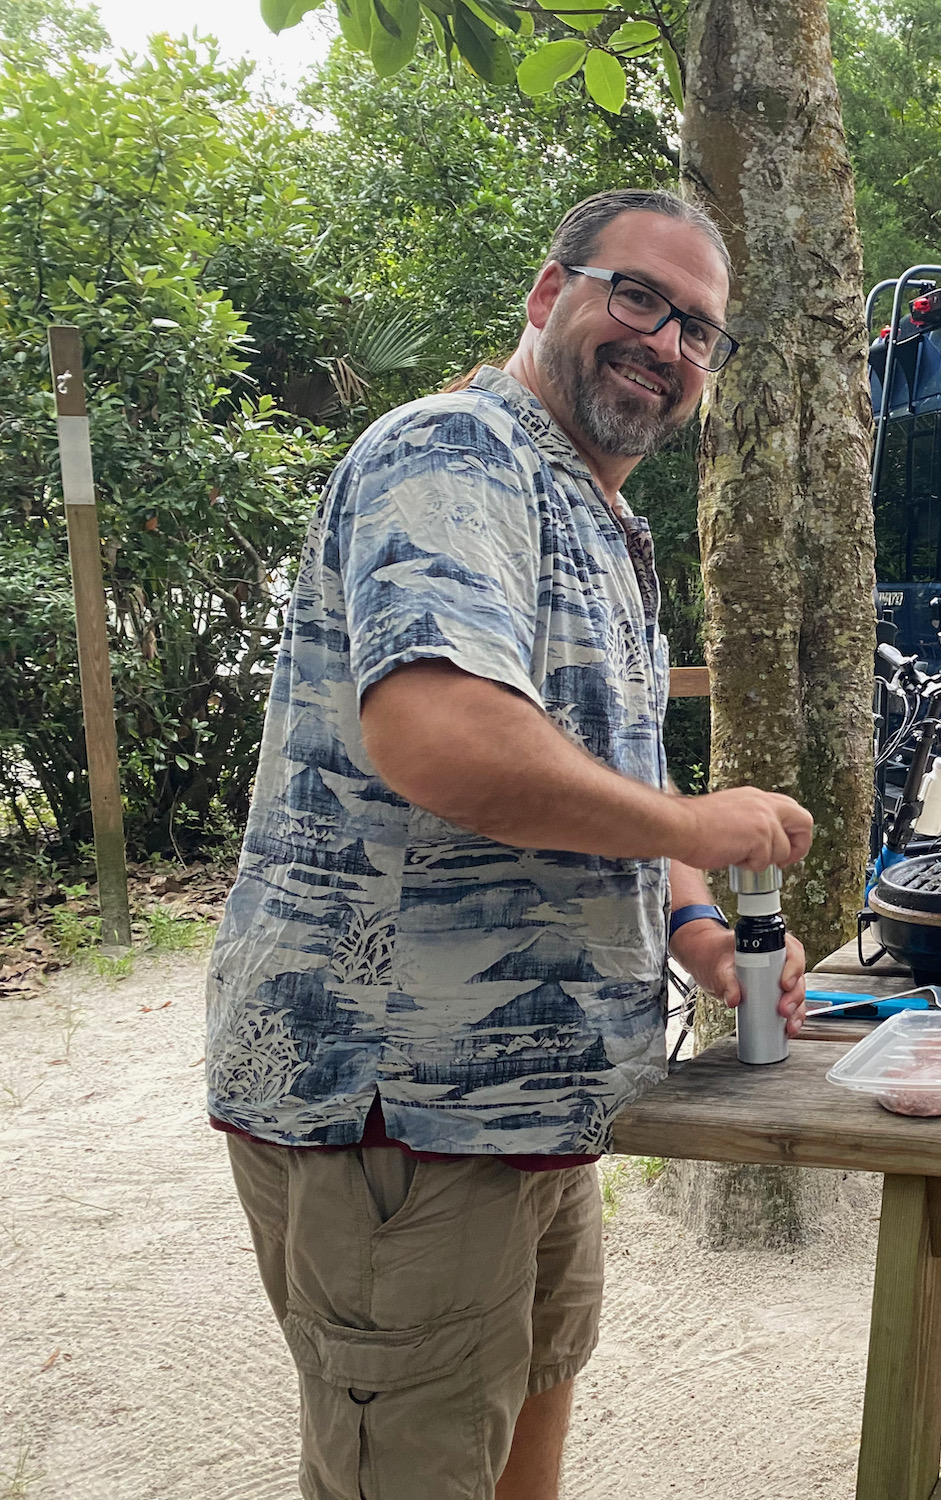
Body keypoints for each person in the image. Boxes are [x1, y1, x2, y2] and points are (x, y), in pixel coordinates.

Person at [204, 187, 814, 1500]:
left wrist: (696, 921)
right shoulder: (456, 452)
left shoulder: (600, 517)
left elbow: (602, 770)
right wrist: (692, 824)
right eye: (636, 294)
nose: (664, 341)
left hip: (531, 1103)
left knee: (528, 1437)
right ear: (548, 294)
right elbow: (438, 733)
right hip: (396, 1103)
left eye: (698, 328)